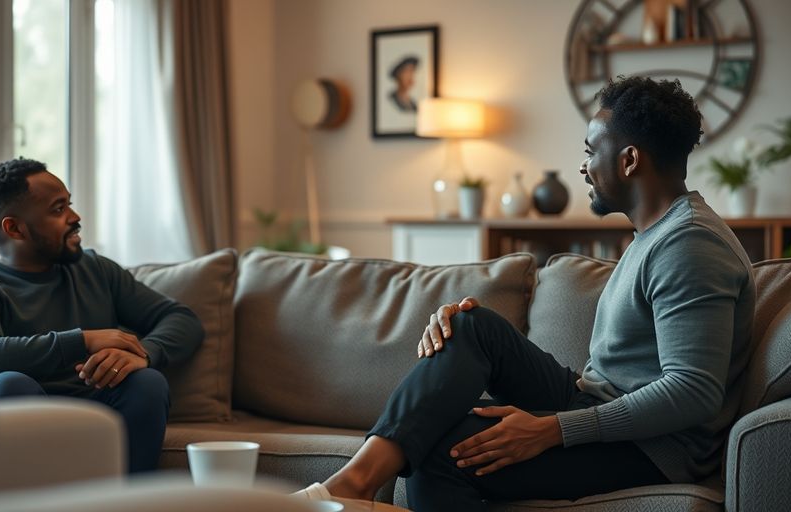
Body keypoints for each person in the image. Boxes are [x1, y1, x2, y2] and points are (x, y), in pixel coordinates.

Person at [297, 76, 756, 509]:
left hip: (653, 448)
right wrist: (457, 331)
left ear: (629, 160)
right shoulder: (657, 234)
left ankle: (346, 492)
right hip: (599, 403)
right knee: (470, 324)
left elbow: (693, 391)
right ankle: (352, 484)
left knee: (445, 451)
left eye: (590, 151)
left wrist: (554, 429)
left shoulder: (689, 244)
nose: (584, 166)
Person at [0, 157, 204, 474]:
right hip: (12, 420)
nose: (75, 217)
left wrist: (144, 353)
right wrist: (83, 340)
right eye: (58, 209)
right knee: (10, 385)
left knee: (146, 382)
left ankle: (127, 496)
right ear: (14, 228)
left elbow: (181, 318)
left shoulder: (94, 270)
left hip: (96, 410)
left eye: (69, 204)